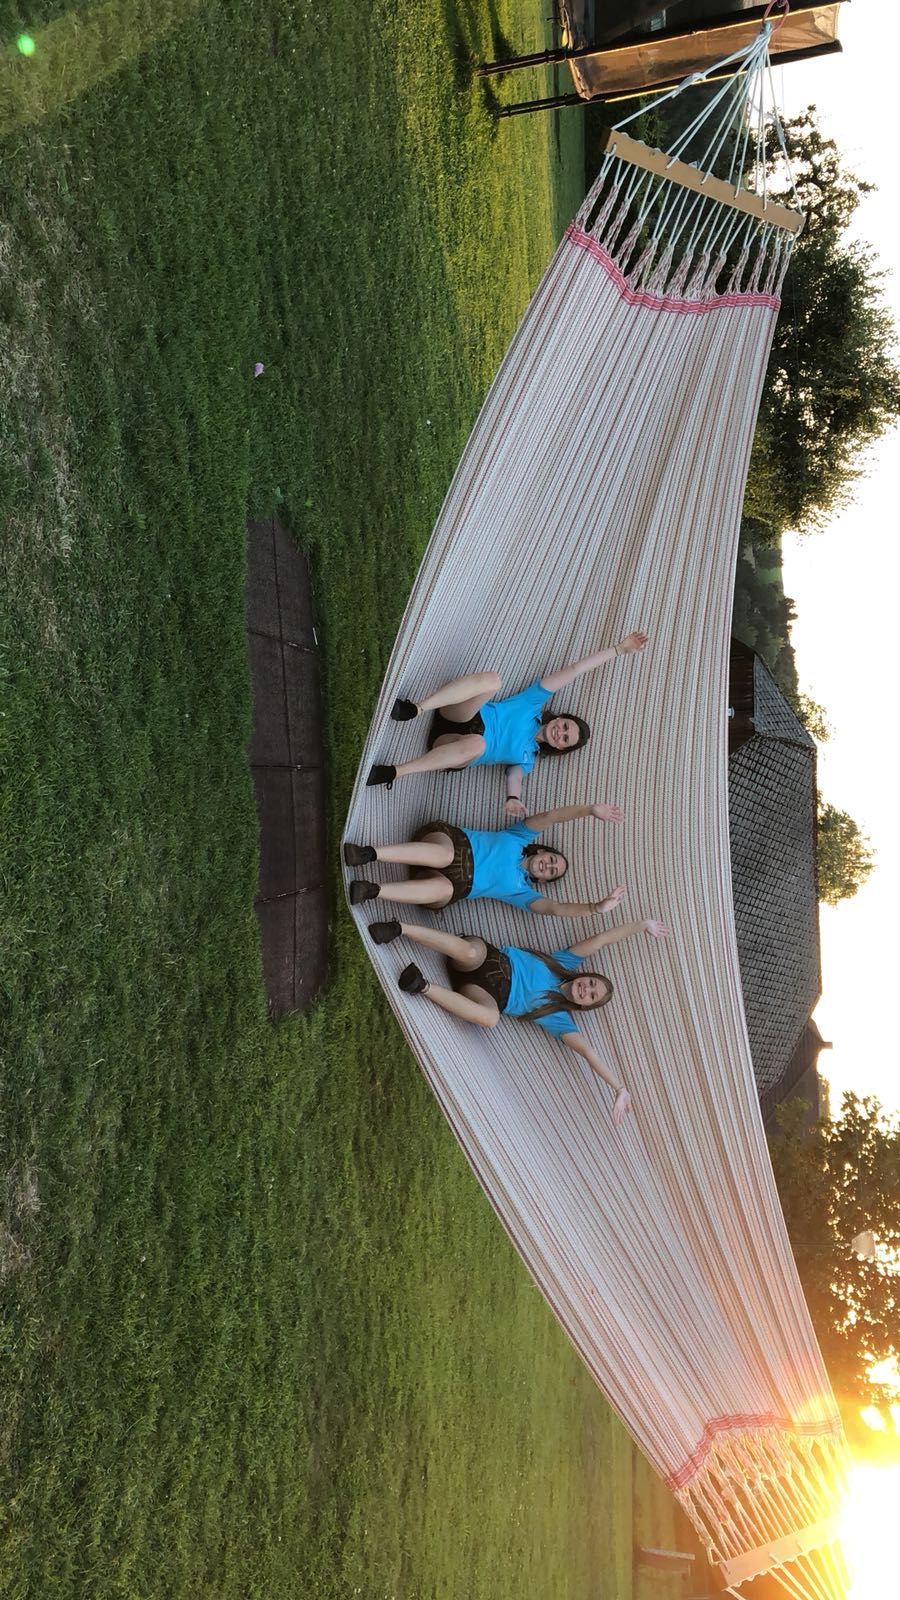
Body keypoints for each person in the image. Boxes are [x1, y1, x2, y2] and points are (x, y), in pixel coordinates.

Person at [374, 914, 670, 1126]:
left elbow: (589, 1053)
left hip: (482, 993)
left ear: (584, 1005)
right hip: (486, 959)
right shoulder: (563, 963)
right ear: (586, 975)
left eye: (591, 996)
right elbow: (601, 940)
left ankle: (421, 986)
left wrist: (619, 1088)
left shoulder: (558, 1018)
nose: (586, 989)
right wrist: (641, 926)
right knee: (470, 950)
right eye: (591, 983)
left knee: (490, 1019)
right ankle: (399, 928)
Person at [366, 631, 649, 809]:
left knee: (478, 745)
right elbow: (574, 670)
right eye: (565, 726)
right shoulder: (533, 703)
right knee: (493, 680)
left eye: (564, 739)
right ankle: (415, 709)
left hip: (454, 747)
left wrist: (513, 798)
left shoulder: (527, 758)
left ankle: (394, 772)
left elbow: (514, 778)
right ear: (560, 717)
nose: (559, 733)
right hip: (461, 713)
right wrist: (617, 650)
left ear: (559, 748)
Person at [344, 800, 625, 917]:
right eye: (552, 860)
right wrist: (589, 810)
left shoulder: (522, 892)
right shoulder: (518, 838)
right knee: (445, 855)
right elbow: (551, 817)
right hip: (451, 844)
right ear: (541, 851)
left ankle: (373, 890)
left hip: (455, 885)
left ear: (542, 879)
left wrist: (595, 907)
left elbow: (554, 908)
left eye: (551, 872)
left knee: (442, 890)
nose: (548, 866)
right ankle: (368, 854)